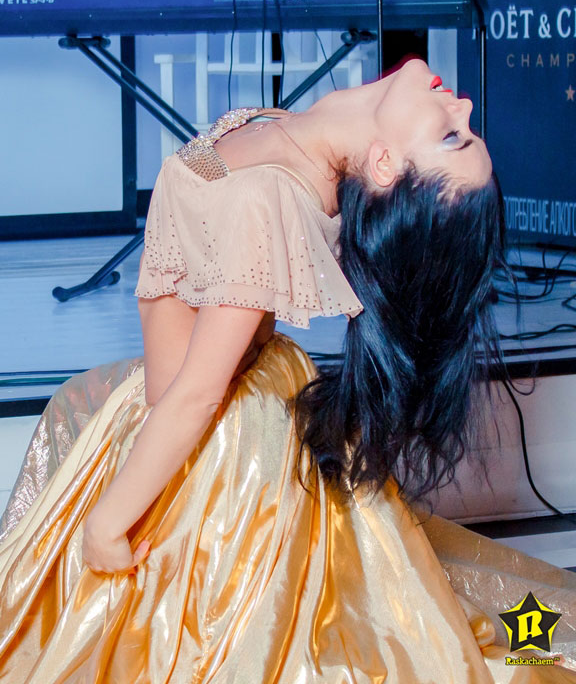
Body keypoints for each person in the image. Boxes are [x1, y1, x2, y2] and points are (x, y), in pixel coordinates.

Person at [1, 57, 576, 683]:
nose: (462, 106)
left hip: (213, 442)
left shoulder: (269, 197)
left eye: (450, 136)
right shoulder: (313, 142)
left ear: (385, 164)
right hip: (221, 402)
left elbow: (195, 395)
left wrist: (109, 525)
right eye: (461, 129)